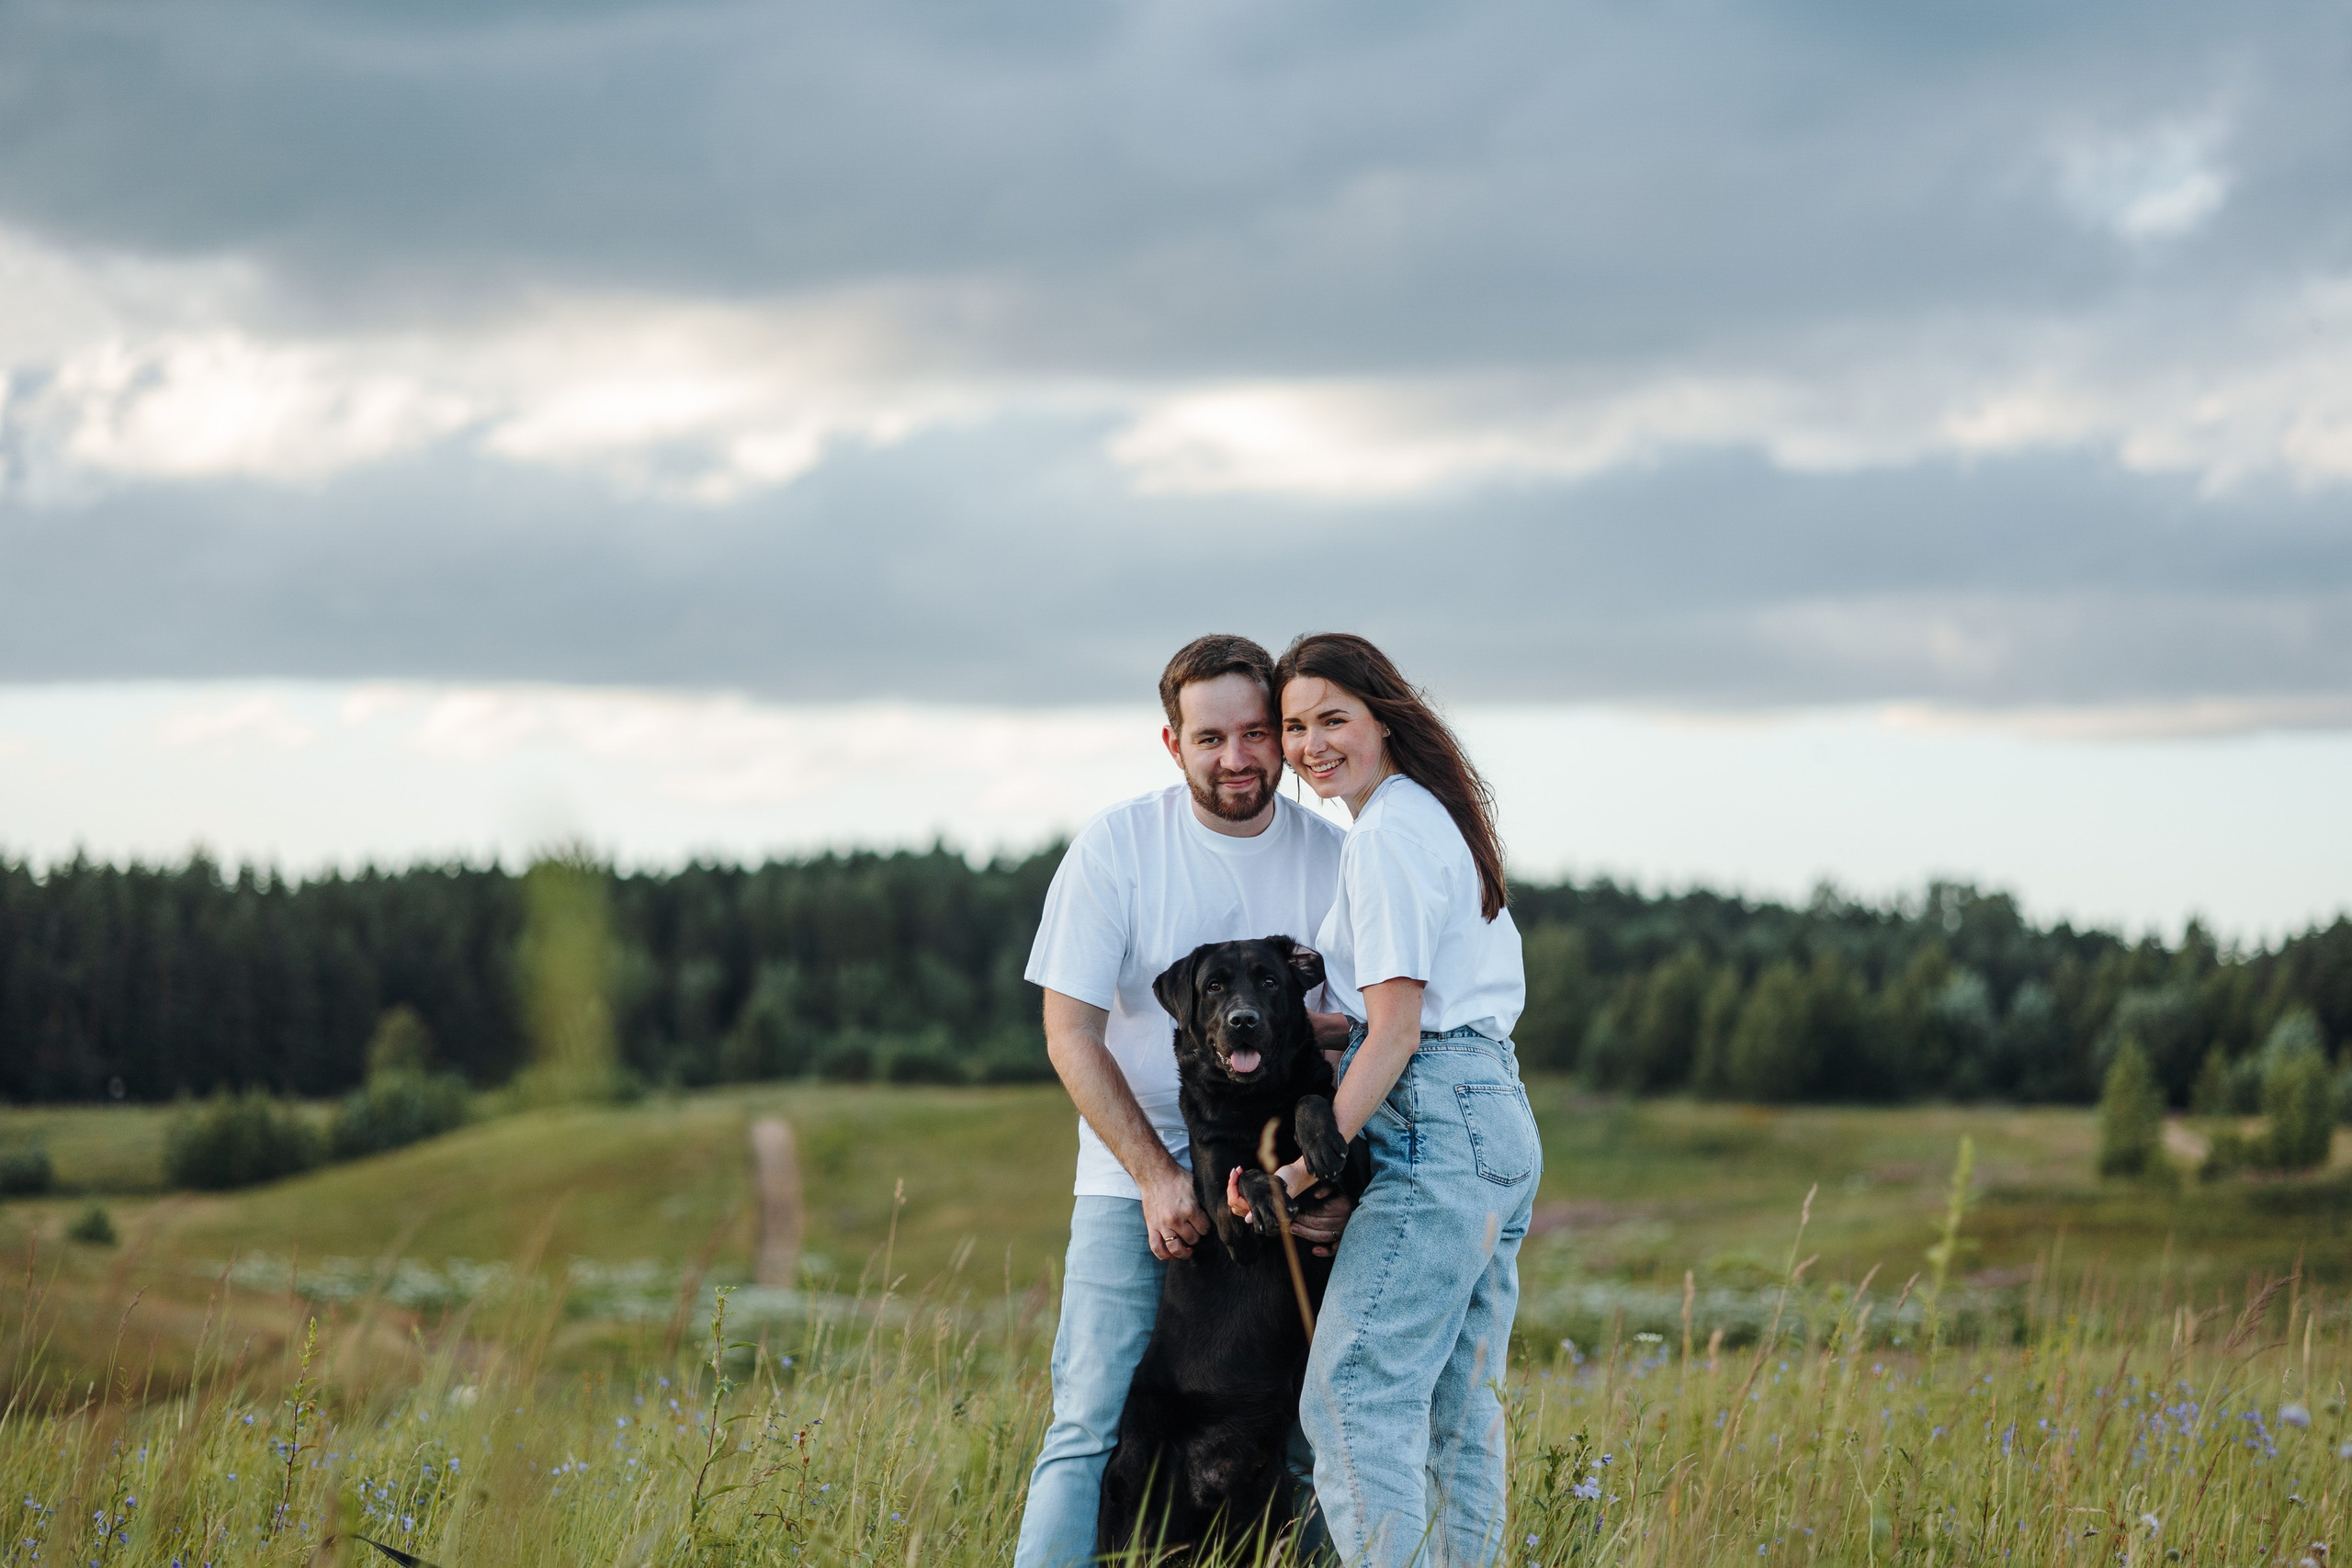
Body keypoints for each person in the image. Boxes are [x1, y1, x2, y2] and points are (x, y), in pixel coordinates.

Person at [1012, 633, 1355, 1568]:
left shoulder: (1335, 860)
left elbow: (1355, 1031)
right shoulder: (1118, 847)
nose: (1236, 759)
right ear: (1172, 744)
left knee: (1304, 1440)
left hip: (1285, 1181)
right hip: (1137, 1184)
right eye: (1210, 739)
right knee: (1087, 1429)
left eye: (1256, 734)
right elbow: (1068, 1032)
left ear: (1282, 737)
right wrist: (1159, 1176)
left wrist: (1333, 1190)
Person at [1230, 632, 1539, 1568]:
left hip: (1437, 1120)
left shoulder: (1387, 837)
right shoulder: (1428, 818)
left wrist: (1297, 1167)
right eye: (1295, 726)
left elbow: (1400, 1032)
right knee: (1453, 1404)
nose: (1313, 743)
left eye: (1334, 718)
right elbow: (1396, 1015)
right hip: (1491, 1109)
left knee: (1350, 1397)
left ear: (1383, 716)